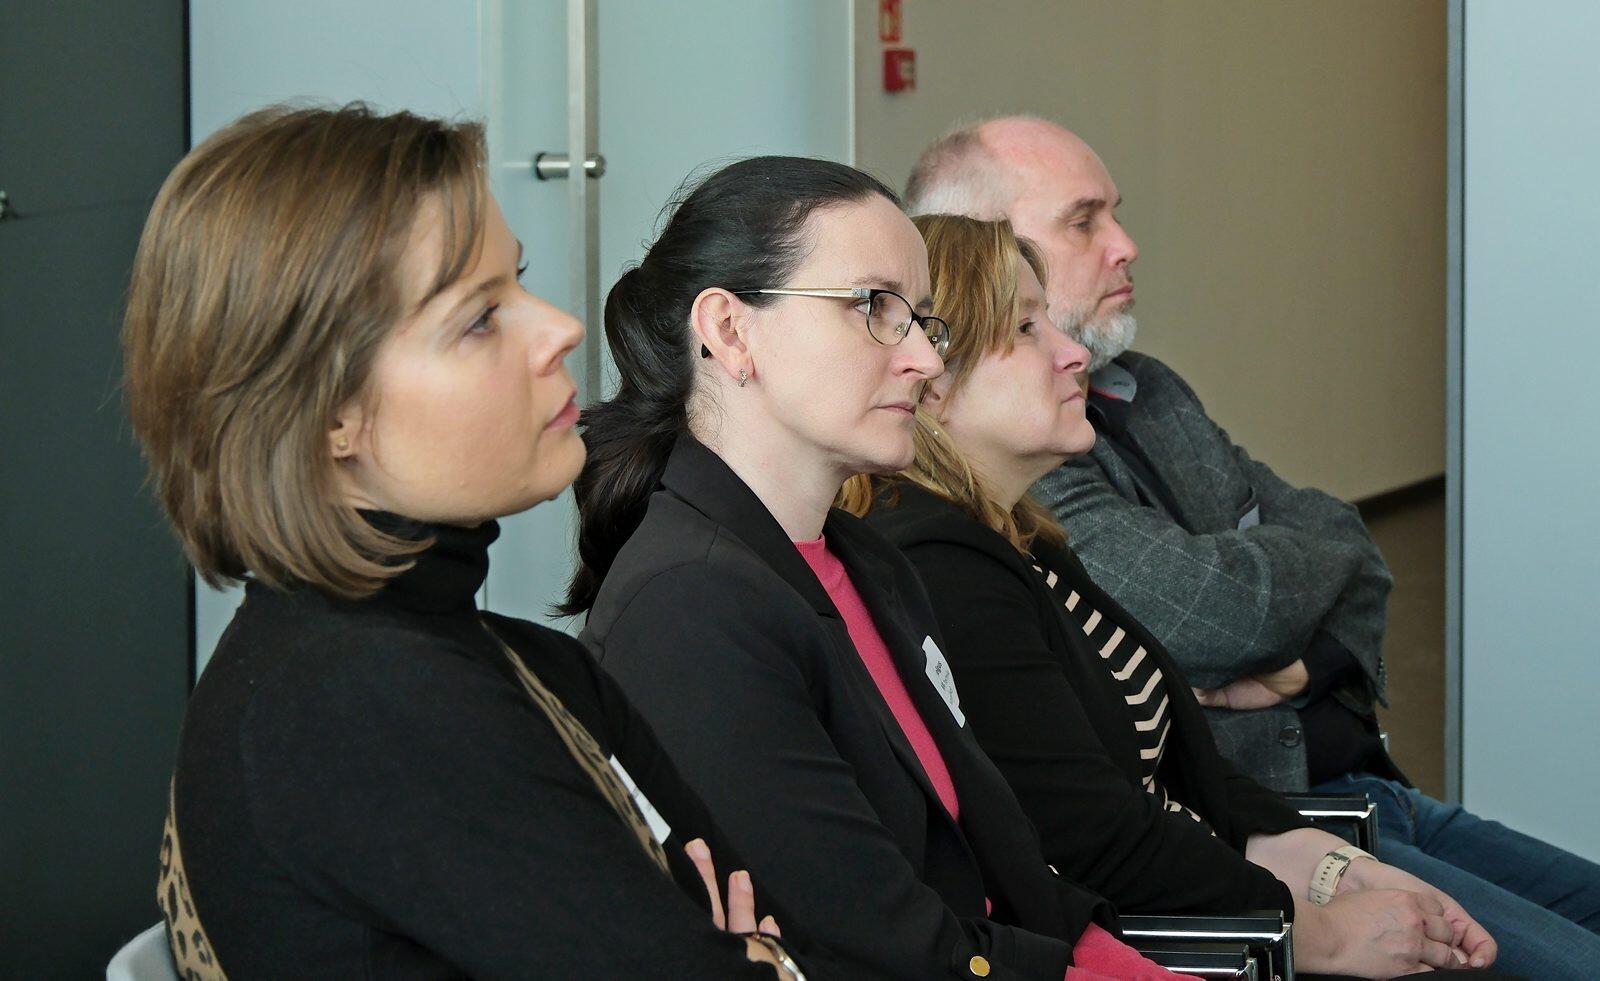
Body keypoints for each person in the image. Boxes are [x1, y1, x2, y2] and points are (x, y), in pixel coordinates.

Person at [122, 103, 812, 978]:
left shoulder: (495, 661)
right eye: (481, 317)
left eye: (517, 281)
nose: (559, 327)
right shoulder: (361, 706)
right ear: (330, 414)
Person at [902, 116, 1600, 977]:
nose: (1125, 245)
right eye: (1083, 221)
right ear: (934, 361)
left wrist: (1304, 671)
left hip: (1326, 805)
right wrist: (1323, 916)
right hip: (1267, 840)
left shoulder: (1125, 417)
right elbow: (1217, 619)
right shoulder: (989, 521)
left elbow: (1343, 535)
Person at [568, 155, 1199, 980]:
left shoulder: (869, 559)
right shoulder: (690, 608)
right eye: (874, 307)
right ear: (730, 331)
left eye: (921, 320)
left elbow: (998, 862)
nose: (926, 360)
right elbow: (879, 941)